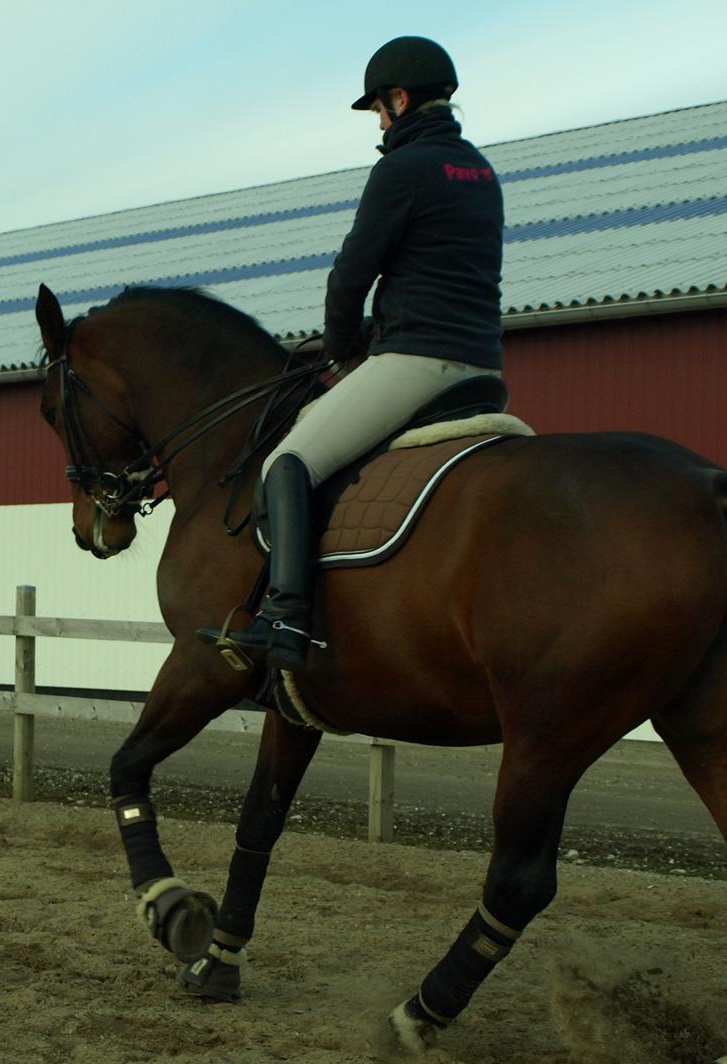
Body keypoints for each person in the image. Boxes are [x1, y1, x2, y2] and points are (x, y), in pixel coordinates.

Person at [198, 35, 505, 672]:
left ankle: (285, 619)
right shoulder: (479, 170)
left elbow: (351, 273)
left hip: (417, 363)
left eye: (379, 111)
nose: (379, 123)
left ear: (398, 99)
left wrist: (343, 349)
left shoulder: (401, 169)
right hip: (484, 369)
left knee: (287, 461)